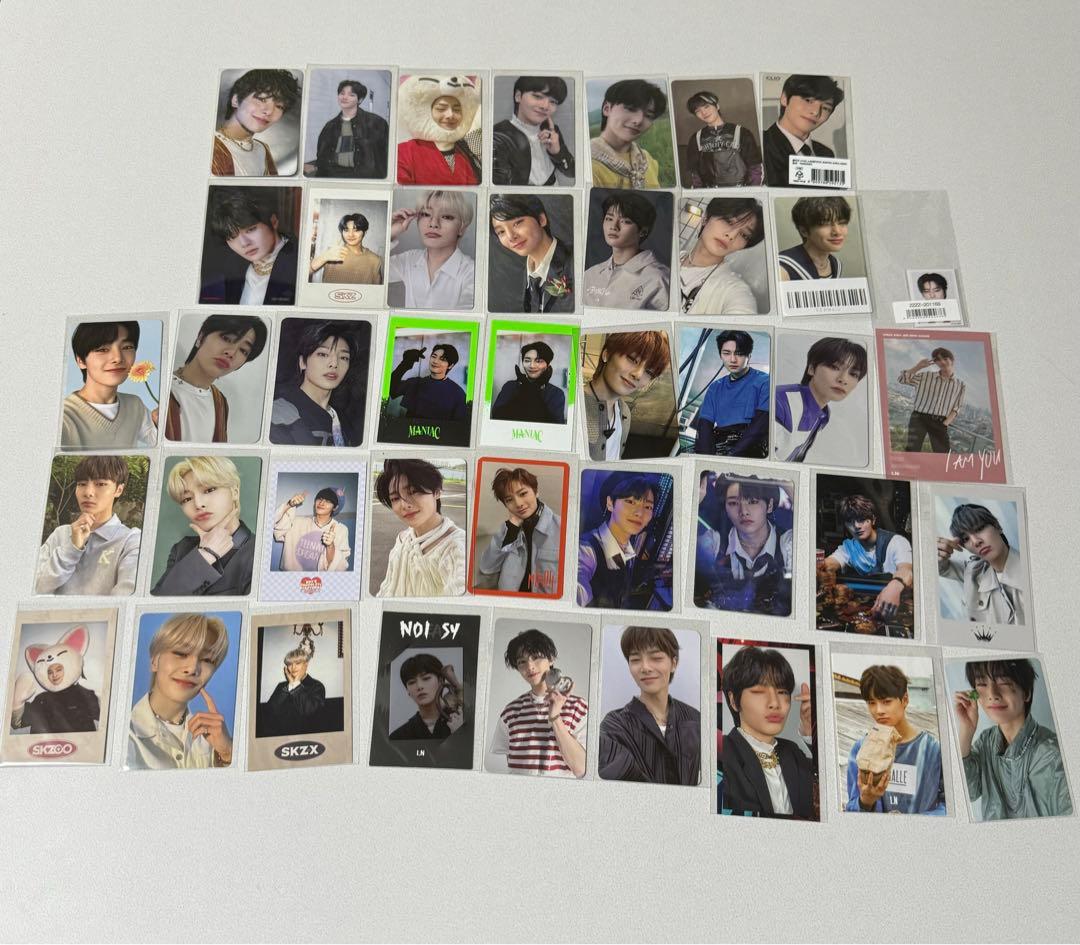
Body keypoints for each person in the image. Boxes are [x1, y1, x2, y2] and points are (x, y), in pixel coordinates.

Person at [954, 659, 1072, 820]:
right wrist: (966, 731)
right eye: (982, 683)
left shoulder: (1053, 755)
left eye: (1003, 682)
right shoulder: (985, 741)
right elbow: (968, 793)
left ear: (1026, 693)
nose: (992, 695)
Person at [126, 613, 232, 769]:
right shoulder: (122, 735)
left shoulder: (215, 740)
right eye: (181, 653)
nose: (192, 668)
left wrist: (228, 753)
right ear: (155, 661)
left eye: (207, 660)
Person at [720, 646, 814, 818]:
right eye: (759, 692)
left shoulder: (793, 752)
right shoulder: (722, 754)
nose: (775, 703)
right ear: (734, 701)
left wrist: (810, 730)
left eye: (782, 692)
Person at [599, 626, 700, 785]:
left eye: (656, 658)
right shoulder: (615, 725)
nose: (645, 667)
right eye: (635, 660)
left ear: (674, 663)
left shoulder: (695, 719)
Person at [845, 665, 947, 815]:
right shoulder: (861, 749)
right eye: (872, 703)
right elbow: (852, 810)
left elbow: (950, 806)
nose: (879, 710)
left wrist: (913, 823)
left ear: (905, 699)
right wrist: (865, 802)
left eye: (886, 701)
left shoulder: (933, 750)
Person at [35, 455, 140, 596]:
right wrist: (71, 549)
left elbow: (125, 600)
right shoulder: (60, 534)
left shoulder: (130, 541)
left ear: (118, 490)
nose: (88, 492)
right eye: (82, 484)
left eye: (100, 484)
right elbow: (33, 588)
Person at [151, 456, 255, 597]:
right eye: (187, 499)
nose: (198, 504)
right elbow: (157, 603)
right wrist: (205, 555)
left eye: (209, 490)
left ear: (234, 492)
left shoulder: (259, 553)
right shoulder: (181, 550)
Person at [490, 628, 588, 778]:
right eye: (522, 662)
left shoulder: (578, 707)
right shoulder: (510, 712)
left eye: (536, 657)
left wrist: (555, 717)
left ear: (551, 659)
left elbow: (581, 769)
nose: (530, 667)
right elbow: (512, 765)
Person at [165, 314, 268, 443]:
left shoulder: (220, 402)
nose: (231, 353)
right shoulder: (158, 389)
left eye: (243, 350)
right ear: (201, 337)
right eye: (226, 338)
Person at [374, 458, 466, 597]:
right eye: (395, 498)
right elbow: (387, 588)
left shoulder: (457, 547)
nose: (404, 505)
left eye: (413, 491)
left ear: (436, 491)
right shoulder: (402, 539)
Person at [704, 475, 793, 616]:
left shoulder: (788, 543)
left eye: (752, 501)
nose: (743, 511)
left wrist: (780, 477)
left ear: (769, 505)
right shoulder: (714, 542)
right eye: (733, 503)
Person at [61, 321, 157, 449]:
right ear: (80, 360)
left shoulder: (135, 405)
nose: (118, 358)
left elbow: (157, 440)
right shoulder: (64, 417)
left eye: (127, 347)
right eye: (102, 349)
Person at [819, 494, 913, 622]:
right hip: (868, 609)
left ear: (873, 520)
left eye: (862, 519)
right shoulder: (849, 547)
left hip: (898, 610)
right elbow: (830, 563)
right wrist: (819, 567)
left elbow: (906, 570)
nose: (857, 526)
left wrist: (895, 586)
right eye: (850, 521)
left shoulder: (896, 542)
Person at [773, 336, 867, 463]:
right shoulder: (780, 403)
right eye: (834, 367)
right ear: (811, 368)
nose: (843, 379)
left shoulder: (823, 414)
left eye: (853, 374)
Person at [270, 322, 363, 447]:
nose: (334, 364)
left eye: (343, 358)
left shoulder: (343, 420)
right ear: (303, 362)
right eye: (323, 354)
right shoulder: (280, 413)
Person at [583, 330, 671, 461]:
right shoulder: (574, 408)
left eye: (649, 372)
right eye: (632, 359)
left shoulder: (624, 413)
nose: (638, 374)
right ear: (607, 353)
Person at [201, 188, 299, 305]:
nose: (244, 243)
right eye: (232, 237)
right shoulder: (233, 266)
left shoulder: (299, 263)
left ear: (273, 221)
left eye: (251, 230)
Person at [477, 467, 562, 596]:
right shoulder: (508, 528)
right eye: (509, 500)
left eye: (522, 494)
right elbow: (486, 567)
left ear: (536, 492)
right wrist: (511, 531)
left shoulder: (562, 528)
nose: (518, 503)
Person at [577, 473, 657, 609]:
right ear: (610, 503)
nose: (640, 513)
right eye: (630, 502)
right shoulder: (586, 551)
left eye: (648, 507)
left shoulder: (628, 551)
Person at [937, 504, 1026, 625]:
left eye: (979, 528)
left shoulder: (1031, 572)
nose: (975, 542)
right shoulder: (974, 572)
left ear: (997, 526)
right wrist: (937, 553)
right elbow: (941, 568)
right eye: (966, 539)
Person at [388, 190, 476, 309]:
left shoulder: (472, 272)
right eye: (426, 214)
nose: (433, 223)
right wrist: (389, 231)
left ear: (462, 228)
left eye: (446, 217)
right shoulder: (409, 260)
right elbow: (368, 272)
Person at [583, 191, 670, 310]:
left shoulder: (658, 279)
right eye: (609, 218)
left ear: (643, 231)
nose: (614, 226)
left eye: (625, 221)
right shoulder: (590, 274)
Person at [490, 194, 574, 314]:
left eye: (517, 223)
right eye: (501, 231)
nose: (511, 236)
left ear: (541, 219)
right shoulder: (515, 276)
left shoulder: (576, 264)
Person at [679, 197, 764, 315]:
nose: (732, 235)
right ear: (706, 218)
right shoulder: (671, 258)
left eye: (744, 235)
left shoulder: (733, 290)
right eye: (728, 221)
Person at [692, 330, 769, 457]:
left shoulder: (765, 382)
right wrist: (707, 462)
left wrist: (732, 457)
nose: (732, 359)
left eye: (739, 354)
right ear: (720, 355)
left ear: (749, 356)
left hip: (751, 448)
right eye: (726, 353)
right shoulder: (715, 388)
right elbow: (704, 428)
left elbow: (760, 426)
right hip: (720, 445)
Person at [211, 69, 301, 176]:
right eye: (262, 99)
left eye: (279, 106)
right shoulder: (211, 147)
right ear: (235, 100)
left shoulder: (262, 149)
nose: (269, 111)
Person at [396, 74, 481, 185]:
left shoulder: (467, 150)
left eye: (457, 109)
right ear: (427, 111)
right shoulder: (404, 152)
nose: (450, 115)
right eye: (441, 109)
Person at [762, 74, 844, 186]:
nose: (816, 112)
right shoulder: (761, 143)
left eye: (825, 108)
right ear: (785, 98)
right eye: (808, 100)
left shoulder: (826, 154)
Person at [492, 76, 575, 186]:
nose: (545, 106)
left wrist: (557, 152)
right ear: (518, 96)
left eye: (553, 101)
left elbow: (572, 172)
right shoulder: (498, 136)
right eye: (538, 96)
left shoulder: (552, 131)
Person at [590, 79, 668, 189]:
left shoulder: (646, 160)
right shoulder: (589, 166)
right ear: (607, 109)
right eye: (631, 109)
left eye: (649, 116)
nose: (638, 120)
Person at [307, 78, 389, 179]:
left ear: (360, 100)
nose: (345, 97)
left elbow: (385, 156)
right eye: (342, 93)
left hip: (364, 179)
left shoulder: (377, 123)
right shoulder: (330, 126)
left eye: (351, 95)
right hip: (334, 177)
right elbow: (322, 155)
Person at [683, 90, 763, 187]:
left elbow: (756, 168)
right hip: (711, 191)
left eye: (706, 106)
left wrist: (751, 192)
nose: (703, 112)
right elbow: (694, 175)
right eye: (698, 111)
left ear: (717, 106)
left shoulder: (742, 133)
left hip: (740, 190)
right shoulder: (696, 138)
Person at [897, 347, 966, 454]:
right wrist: (918, 366)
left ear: (952, 360)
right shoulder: (926, 376)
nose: (942, 362)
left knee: (943, 454)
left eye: (945, 358)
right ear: (935, 363)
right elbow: (902, 380)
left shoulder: (960, 385)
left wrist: (945, 424)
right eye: (938, 360)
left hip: (940, 422)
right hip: (919, 418)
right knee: (912, 451)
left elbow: (957, 407)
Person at [272, 488, 351, 572]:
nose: (321, 503)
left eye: (328, 501)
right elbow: (275, 525)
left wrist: (330, 546)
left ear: (335, 507)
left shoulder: (340, 530)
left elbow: (341, 567)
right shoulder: (297, 522)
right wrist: (289, 505)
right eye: (320, 499)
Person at [389, 653, 464, 740]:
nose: (419, 686)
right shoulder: (398, 737)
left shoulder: (464, 719)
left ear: (441, 681)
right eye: (412, 682)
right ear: (408, 691)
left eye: (426, 678)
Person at [387, 342, 467, 421]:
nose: (435, 361)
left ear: (450, 365)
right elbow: (392, 390)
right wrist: (405, 363)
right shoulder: (416, 383)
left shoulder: (458, 393)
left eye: (442, 359)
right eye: (434, 356)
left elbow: (459, 425)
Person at [491, 341, 566, 424]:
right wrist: (526, 388)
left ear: (547, 365)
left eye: (538, 361)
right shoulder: (510, 386)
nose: (532, 366)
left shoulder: (556, 393)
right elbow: (496, 416)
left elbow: (555, 426)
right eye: (527, 360)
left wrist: (534, 388)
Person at [778, 196, 851, 281]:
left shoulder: (835, 264)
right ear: (804, 231)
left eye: (842, 223)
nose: (837, 232)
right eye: (825, 224)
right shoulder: (782, 269)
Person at [265, 638, 327, 736]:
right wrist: (290, 685)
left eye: (298, 663)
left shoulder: (317, 686)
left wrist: (296, 684)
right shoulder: (281, 686)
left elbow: (310, 713)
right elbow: (270, 711)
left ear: (306, 665)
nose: (293, 668)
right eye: (290, 664)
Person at [308, 213, 383, 284]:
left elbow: (378, 290)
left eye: (356, 230)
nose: (350, 235)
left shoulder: (375, 260)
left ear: (365, 232)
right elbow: (304, 273)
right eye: (346, 230)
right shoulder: (333, 252)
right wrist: (323, 258)